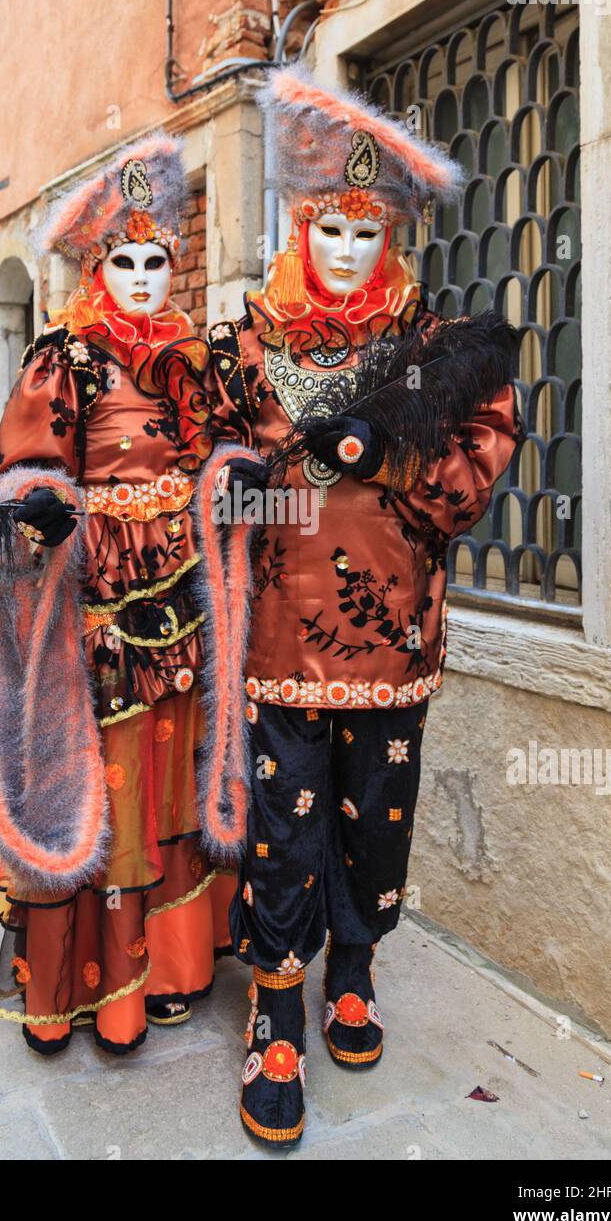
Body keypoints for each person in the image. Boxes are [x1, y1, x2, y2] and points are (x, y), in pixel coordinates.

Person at [199, 68, 521, 1145]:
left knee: (373, 822)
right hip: (278, 637)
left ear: (389, 238)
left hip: (392, 637)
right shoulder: (244, 341)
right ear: (302, 229)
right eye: (327, 231)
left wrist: (388, 454)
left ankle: (355, 975)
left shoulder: (438, 347)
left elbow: (479, 458)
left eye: (365, 233)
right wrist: (243, 480)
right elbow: (198, 449)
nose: (345, 251)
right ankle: (277, 1013)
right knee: (284, 832)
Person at [0, 135, 234, 1055]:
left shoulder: (192, 359)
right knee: (110, 777)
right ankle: (103, 988)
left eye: (158, 259)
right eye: (123, 260)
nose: (144, 276)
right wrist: (41, 508)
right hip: (98, 604)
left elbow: (217, 459)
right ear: (95, 265)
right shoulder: (62, 360)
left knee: (171, 771)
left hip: (182, 596)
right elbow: (28, 468)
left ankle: (172, 967)